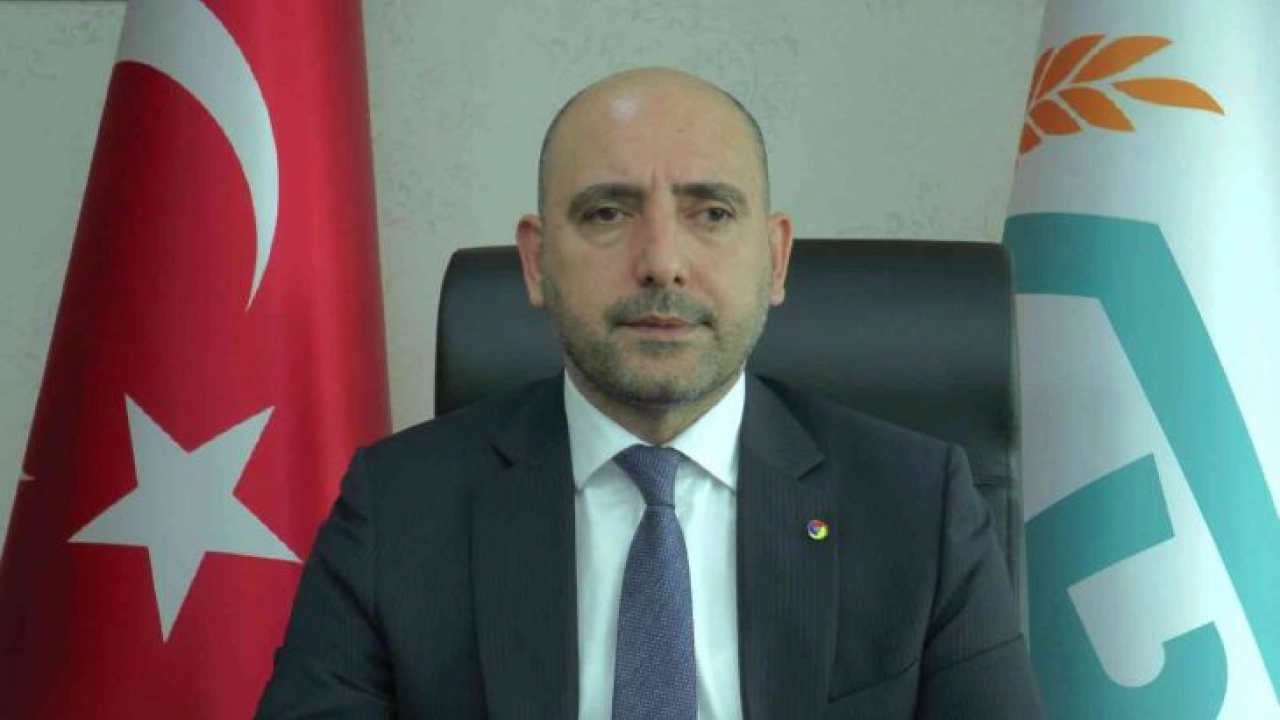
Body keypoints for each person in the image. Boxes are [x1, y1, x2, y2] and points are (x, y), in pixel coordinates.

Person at [257, 67, 1045, 719]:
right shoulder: (397, 511)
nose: (662, 261)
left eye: (711, 213)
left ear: (774, 260)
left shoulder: (918, 507)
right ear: (536, 263)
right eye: (608, 212)